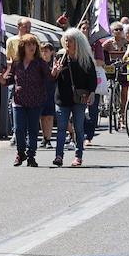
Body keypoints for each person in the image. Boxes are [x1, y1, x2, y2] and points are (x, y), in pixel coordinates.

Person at [0, 34, 51, 166]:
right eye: (28, 44)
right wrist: (2, 79)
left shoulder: (40, 63)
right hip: (19, 100)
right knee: (19, 129)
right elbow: (9, 79)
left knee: (33, 130)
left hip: (35, 101)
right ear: (23, 47)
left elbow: (48, 79)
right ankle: (21, 153)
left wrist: (54, 73)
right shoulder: (17, 63)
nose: (32, 47)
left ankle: (31, 155)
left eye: (33, 44)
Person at [49, 28, 97, 167]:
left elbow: (92, 78)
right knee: (61, 128)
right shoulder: (60, 57)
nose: (67, 43)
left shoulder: (85, 58)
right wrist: (54, 73)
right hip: (62, 98)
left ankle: (78, 156)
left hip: (79, 99)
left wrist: (91, 93)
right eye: (66, 40)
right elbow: (52, 79)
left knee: (78, 128)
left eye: (70, 40)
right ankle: (59, 156)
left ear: (78, 42)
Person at [38, 39, 58, 147]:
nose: (44, 53)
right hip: (40, 92)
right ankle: (44, 137)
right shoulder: (38, 63)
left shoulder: (54, 63)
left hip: (51, 91)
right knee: (42, 116)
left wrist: (55, 72)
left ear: (51, 52)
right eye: (42, 50)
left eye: (46, 50)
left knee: (49, 116)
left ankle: (48, 139)